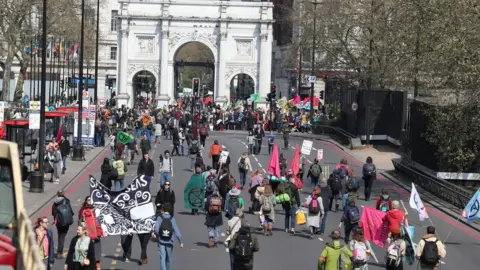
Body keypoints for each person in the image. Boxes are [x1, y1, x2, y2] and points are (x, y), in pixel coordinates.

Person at [152, 203, 184, 270]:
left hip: (161, 240)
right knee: (168, 258)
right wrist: (181, 241)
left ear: (162, 209)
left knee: (162, 257)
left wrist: (156, 234)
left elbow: (157, 229)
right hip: (170, 241)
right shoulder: (172, 218)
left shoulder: (159, 217)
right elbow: (176, 231)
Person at [78, 196, 103, 270]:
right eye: (88, 199)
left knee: (97, 252)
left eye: (91, 199)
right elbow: (80, 222)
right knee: (86, 252)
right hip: (86, 234)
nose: (89, 201)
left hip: (96, 233)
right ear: (86, 201)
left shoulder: (97, 209)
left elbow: (101, 220)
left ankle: (97, 267)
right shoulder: (82, 210)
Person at [51, 190, 74, 259]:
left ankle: (59, 252)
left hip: (58, 222)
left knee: (60, 235)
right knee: (62, 236)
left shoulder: (55, 203)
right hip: (66, 221)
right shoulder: (67, 201)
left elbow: (53, 213)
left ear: (57, 194)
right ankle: (59, 252)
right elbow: (70, 210)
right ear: (63, 194)